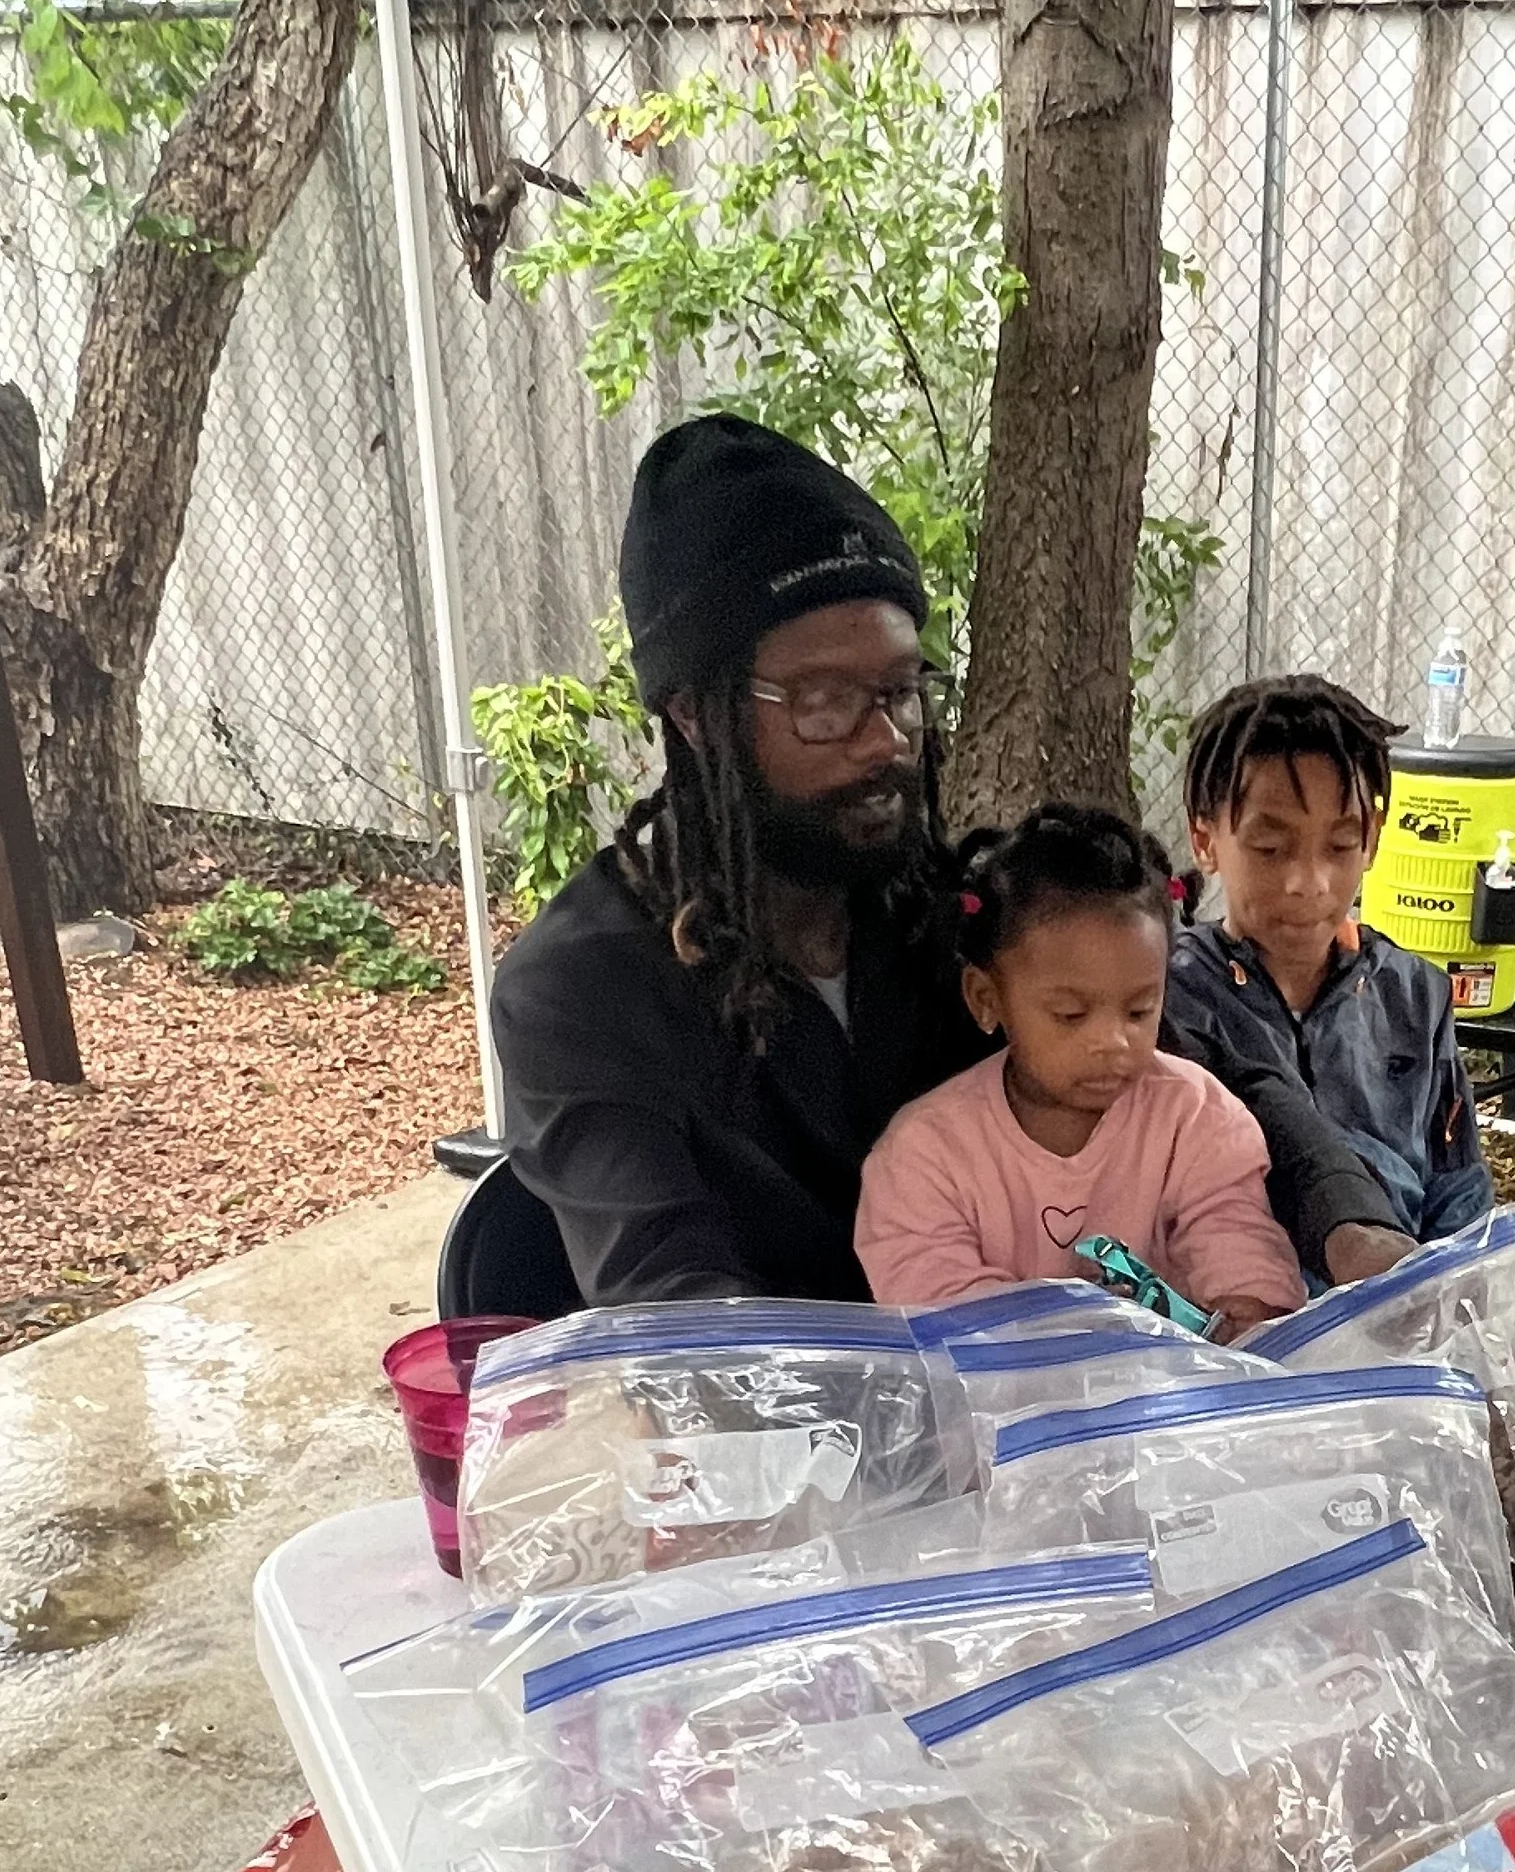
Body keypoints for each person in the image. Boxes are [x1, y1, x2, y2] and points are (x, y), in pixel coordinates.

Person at [490, 418, 1413, 1306]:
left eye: (900, 690)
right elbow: (672, 1301)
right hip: (781, 1443)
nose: (882, 740)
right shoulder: (581, 990)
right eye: (823, 701)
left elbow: (1217, 1075)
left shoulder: (956, 920)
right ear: (695, 714)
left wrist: (1349, 1222)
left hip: (1023, 1416)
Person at [855, 805, 1304, 1329]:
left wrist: (1244, 1319)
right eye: (1071, 1014)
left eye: (1140, 1010)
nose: (1113, 1041)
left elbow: (1243, 1264)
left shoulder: (1197, 1118)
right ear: (985, 998)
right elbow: (950, 1328)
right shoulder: (922, 1157)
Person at [1165, 673, 1494, 1246]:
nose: (1308, 883)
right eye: (1270, 848)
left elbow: (1459, 1196)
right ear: (1204, 840)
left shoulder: (1414, 993)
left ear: (1373, 840)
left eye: (1340, 846)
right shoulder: (1171, 998)